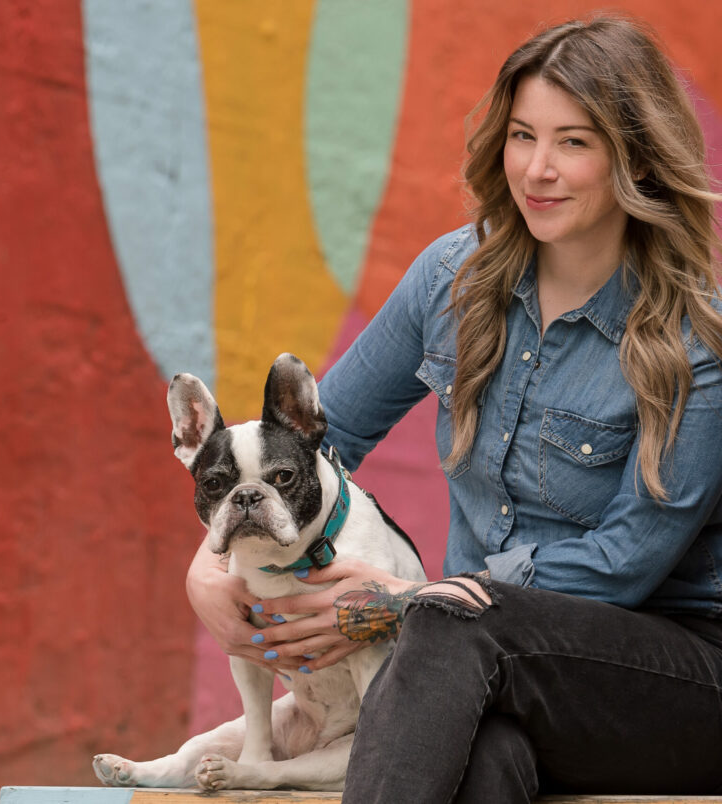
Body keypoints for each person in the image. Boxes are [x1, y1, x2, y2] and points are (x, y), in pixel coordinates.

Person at [185, 15, 722, 801]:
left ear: (633, 156)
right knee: (479, 755)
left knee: (448, 622)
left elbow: (623, 565)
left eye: (573, 141)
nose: (537, 169)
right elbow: (319, 442)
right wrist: (211, 566)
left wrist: (401, 604)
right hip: (490, 660)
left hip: (675, 678)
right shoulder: (452, 279)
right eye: (521, 135)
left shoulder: (693, 337)